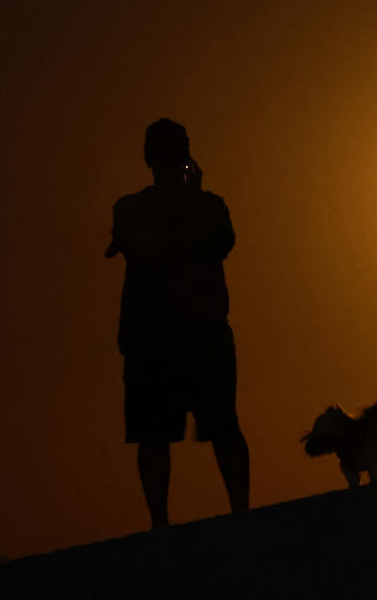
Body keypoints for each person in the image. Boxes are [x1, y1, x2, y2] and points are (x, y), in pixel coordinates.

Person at [105, 118, 249, 528]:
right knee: (208, 430)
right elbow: (148, 247)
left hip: (171, 338)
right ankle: (233, 515)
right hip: (174, 338)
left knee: (182, 433)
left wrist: (190, 202)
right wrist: (191, 201)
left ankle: (163, 524)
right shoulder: (199, 206)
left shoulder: (194, 206)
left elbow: (212, 244)